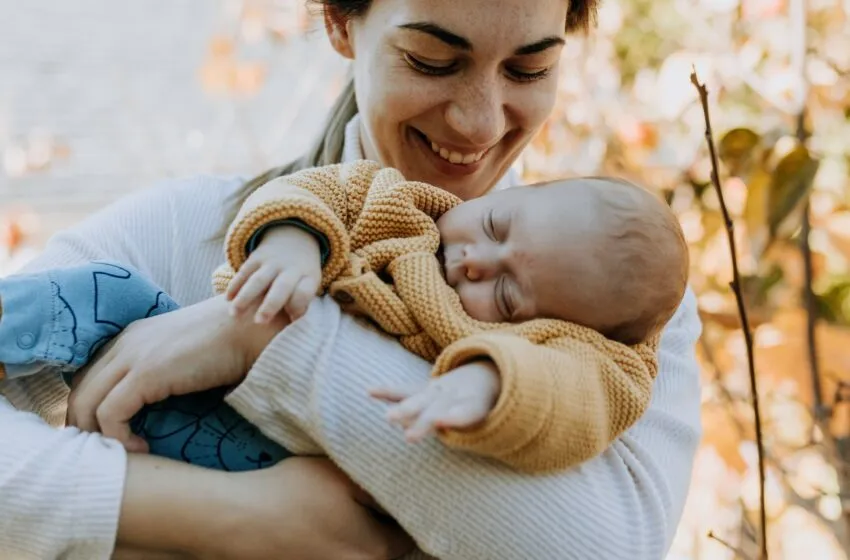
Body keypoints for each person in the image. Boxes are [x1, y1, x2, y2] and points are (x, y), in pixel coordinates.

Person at [0, 1, 702, 559]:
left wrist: (267, 342)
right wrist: (233, 521)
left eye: (528, 71)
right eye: (432, 60)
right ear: (340, 23)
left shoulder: (616, 298)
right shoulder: (192, 229)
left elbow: (612, 545)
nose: (480, 120)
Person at [0, 161, 687, 474]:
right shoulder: (409, 206)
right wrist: (296, 244)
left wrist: (487, 384)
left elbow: (570, 396)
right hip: (187, 379)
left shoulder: (584, 354)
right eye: (500, 225)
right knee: (103, 290)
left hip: (257, 460)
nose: (478, 261)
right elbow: (321, 190)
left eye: (506, 295)